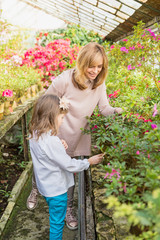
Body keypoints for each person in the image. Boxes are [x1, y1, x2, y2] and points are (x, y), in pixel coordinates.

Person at [27, 42, 123, 230]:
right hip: (57, 131)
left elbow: (104, 109)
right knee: (45, 163)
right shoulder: (64, 80)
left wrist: (119, 111)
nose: (95, 70)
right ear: (82, 62)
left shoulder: (99, 84)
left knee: (69, 172)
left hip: (78, 134)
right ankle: (35, 189)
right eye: (91, 65)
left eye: (99, 66)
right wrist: (44, 132)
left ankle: (68, 209)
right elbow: (45, 105)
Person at [29, 94, 104, 240]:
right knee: (57, 225)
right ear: (51, 117)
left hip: (46, 187)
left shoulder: (34, 133)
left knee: (54, 218)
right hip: (57, 191)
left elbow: (47, 154)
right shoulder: (51, 141)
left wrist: (59, 144)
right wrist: (89, 162)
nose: (62, 122)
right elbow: (69, 165)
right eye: (62, 118)